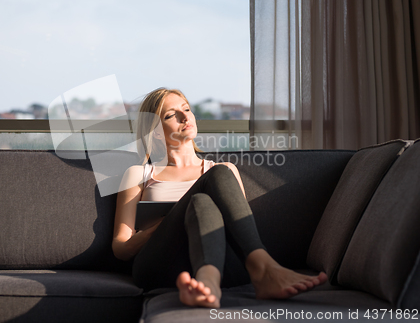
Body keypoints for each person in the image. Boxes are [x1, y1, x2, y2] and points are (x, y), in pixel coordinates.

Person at [112, 88, 327, 308]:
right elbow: (120, 248)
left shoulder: (222, 170)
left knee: (206, 195)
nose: (185, 117)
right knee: (201, 196)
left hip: (223, 266)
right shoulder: (139, 174)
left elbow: (238, 231)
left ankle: (208, 285)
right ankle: (264, 268)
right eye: (171, 115)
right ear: (155, 131)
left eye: (186, 109)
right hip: (160, 266)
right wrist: (168, 223)